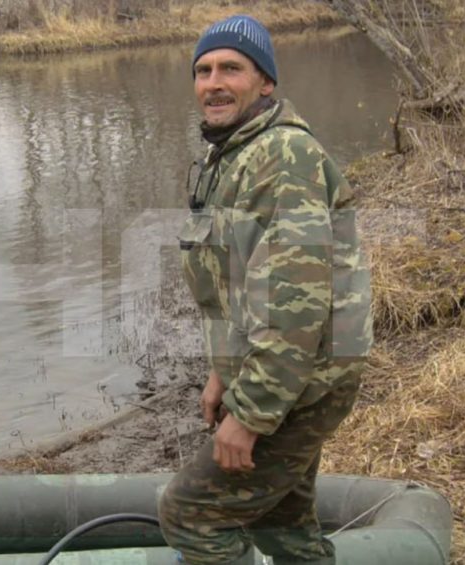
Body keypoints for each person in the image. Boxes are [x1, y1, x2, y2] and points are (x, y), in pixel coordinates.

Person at [158, 14, 373, 565]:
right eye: (203, 71)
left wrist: (250, 416)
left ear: (266, 82)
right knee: (284, 525)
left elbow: (295, 309)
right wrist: (222, 371)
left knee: (191, 515)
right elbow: (235, 284)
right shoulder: (232, 153)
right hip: (287, 378)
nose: (213, 83)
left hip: (301, 385)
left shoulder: (283, 158)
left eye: (231, 68)